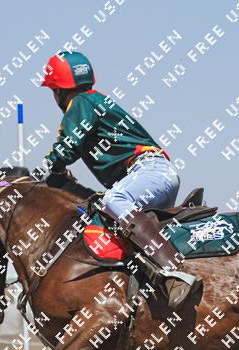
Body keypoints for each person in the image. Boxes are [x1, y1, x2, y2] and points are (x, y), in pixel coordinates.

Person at [37, 51, 200, 310]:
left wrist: (48, 168)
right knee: (118, 226)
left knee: (114, 199)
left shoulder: (81, 103)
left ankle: (174, 272)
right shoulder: (93, 100)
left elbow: (68, 146)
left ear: (57, 90)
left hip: (149, 171)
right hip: (153, 175)